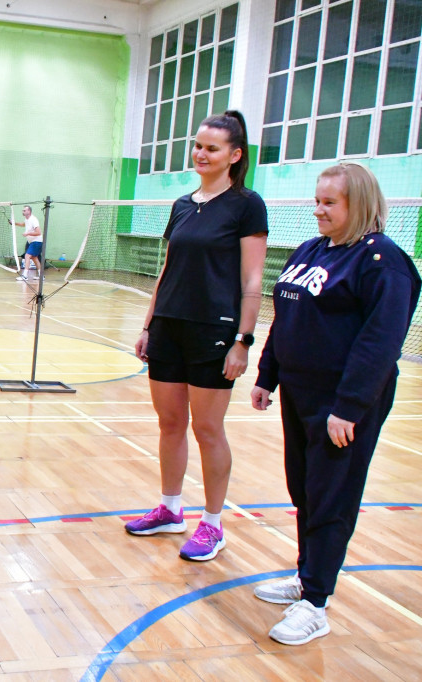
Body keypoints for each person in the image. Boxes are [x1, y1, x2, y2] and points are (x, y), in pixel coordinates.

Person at [250, 163, 420, 645]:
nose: (318, 210)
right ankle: (307, 578)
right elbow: (283, 318)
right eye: (318, 200)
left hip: (342, 404)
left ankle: (317, 603)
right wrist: (268, 375)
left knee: (332, 497)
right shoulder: (309, 251)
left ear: (358, 204)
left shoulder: (383, 261)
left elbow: (380, 342)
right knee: (305, 490)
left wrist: (349, 406)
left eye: (330, 202)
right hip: (300, 393)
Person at [126, 110, 268, 562]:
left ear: (234, 155)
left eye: (212, 148)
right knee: (170, 423)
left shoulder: (247, 205)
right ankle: (170, 509)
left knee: (208, 428)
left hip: (215, 330)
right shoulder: (183, 204)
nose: (201, 154)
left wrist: (243, 340)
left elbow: (252, 279)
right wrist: (149, 324)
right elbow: (167, 269)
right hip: (169, 325)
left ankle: (212, 524)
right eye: (198, 145)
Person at [12, 205, 42, 280]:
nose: (23, 212)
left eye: (24, 210)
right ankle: (41, 276)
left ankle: (25, 276)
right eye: (23, 210)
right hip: (32, 242)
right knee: (35, 258)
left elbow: (38, 232)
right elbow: (23, 224)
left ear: (29, 211)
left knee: (27, 256)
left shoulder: (33, 220)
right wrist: (14, 223)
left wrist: (28, 233)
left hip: (36, 241)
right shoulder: (27, 219)